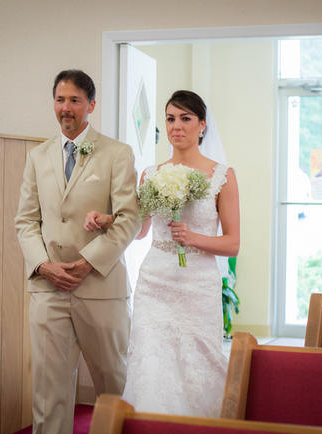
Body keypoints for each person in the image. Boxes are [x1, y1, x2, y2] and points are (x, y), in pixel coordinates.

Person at [85, 90, 240, 417]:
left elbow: (232, 243)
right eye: (170, 119)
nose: (176, 126)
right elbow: (139, 229)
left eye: (185, 118)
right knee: (151, 360)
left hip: (198, 285)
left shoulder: (222, 176)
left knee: (198, 362)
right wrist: (108, 219)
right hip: (155, 282)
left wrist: (194, 238)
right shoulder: (151, 174)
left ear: (202, 125)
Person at [15, 69, 140, 434]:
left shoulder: (117, 153)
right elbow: (25, 221)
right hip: (48, 288)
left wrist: (87, 264)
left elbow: (128, 219)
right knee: (48, 390)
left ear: (91, 105)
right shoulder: (37, 156)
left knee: (114, 383)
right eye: (59, 100)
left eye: (74, 100)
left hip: (100, 288)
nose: (65, 108)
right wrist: (42, 266)